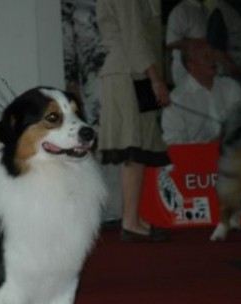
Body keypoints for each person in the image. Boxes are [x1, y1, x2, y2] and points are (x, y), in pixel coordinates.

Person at [96, 0, 170, 242]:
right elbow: (134, 36)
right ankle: (130, 222)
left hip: (132, 72)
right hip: (129, 73)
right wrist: (156, 79)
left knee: (137, 149)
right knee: (132, 148)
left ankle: (132, 219)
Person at [61, 0, 122, 226]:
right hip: (90, 80)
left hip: (118, 76)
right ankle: (98, 210)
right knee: (93, 142)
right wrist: (70, 81)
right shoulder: (68, 5)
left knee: (118, 140)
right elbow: (66, 41)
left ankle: (118, 207)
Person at [161, 41, 241, 145]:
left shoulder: (230, 86)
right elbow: (174, 144)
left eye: (212, 54)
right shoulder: (177, 100)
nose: (212, 59)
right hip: (201, 157)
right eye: (205, 56)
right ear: (191, 65)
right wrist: (210, 146)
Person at [165, 0, 210, 87]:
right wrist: (199, 42)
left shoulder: (205, 10)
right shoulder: (181, 11)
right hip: (185, 67)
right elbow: (171, 42)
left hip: (203, 65)